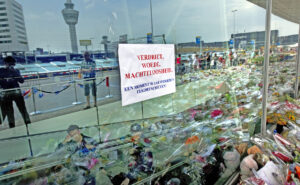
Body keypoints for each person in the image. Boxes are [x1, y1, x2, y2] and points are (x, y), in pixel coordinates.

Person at [0, 56, 30, 128]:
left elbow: (21, 81)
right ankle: (26, 123)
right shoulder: (2, 71)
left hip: (10, 93)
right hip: (11, 93)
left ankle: (14, 125)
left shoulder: (15, 71)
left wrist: (13, 72)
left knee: (15, 110)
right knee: (19, 109)